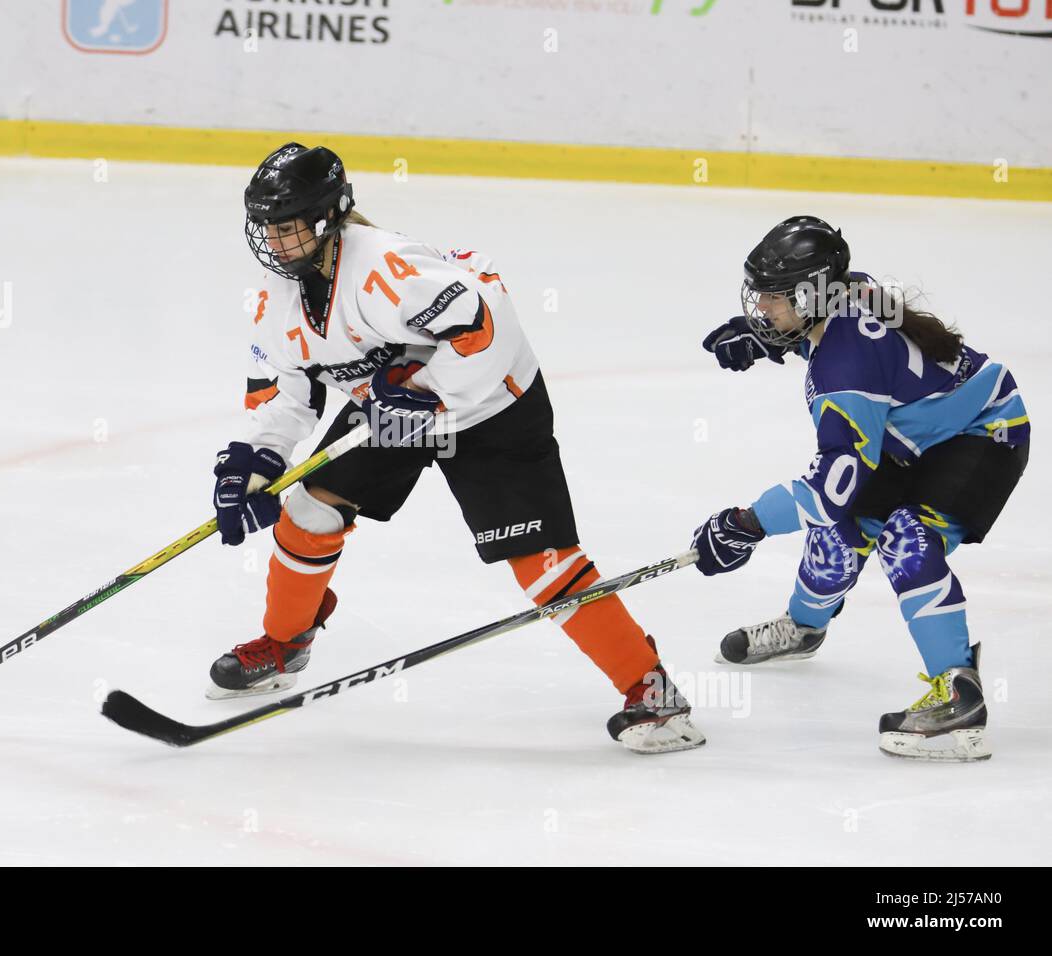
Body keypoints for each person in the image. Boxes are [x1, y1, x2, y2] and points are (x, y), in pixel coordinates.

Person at [207, 141, 705, 754]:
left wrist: (433, 389)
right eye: (267, 230)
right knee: (308, 507)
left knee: (542, 561)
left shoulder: (385, 270)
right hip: (390, 412)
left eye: (288, 229)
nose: (275, 244)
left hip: (490, 406)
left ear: (328, 218)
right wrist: (257, 463)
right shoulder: (276, 297)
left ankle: (653, 693)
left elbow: (485, 321)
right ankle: (286, 645)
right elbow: (284, 395)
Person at [692, 215, 1030, 761]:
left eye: (772, 300)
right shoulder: (848, 290)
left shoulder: (844, 374)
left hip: (982, 435)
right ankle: (804, 628)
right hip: (912, 435)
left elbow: (828, 491)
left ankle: (959, 698)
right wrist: (765, 339)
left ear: (809, 294)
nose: (762, 309)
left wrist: (743, 524)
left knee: (905, 538)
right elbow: (853, 346)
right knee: (839, 531)